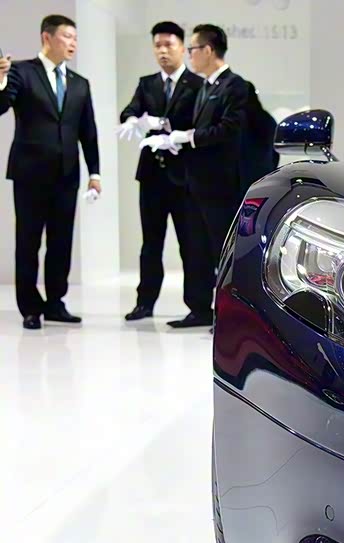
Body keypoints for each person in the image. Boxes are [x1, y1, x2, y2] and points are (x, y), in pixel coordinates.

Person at [141, 24, 247, 328]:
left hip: (220, 185)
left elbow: (229, 130)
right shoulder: (205, 87)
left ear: (208, 51)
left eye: (193, 49)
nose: (190, 55)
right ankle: (199, 309)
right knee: (197, 249)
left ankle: (229, 313)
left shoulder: (235, 86)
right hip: (195, 183)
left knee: (221, 252)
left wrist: (188, 137)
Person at [0, 15, 101, 330]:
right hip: (29, 173)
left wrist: (95, 173)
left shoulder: (80, 83)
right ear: (47, 37)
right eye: (67, 36)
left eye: (75, 38)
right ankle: (30, 308)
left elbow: (88, 132)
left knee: (61, 242)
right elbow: (2, 105)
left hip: (66, 174)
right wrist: (0, 80)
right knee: (28, 242)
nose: (73, 43)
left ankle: (56, 302)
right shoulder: (20, 72)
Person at [117, 21, 207, 322]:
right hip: (152, 176)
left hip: (185, 177)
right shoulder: (147, 84)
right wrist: (132, 120)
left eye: (169, 44)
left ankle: (198, 306)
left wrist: (167, 127)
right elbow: (130, 110)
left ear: (182, 47)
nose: (163, 51)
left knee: (191, 244)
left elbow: (200, 124)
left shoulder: (197, 85)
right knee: (150, 244)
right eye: (157, 45)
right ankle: (145, 303)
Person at [239, 80, 280, 198]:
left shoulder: (233, 122)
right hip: (264, 179)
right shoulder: (268, 119)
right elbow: (275, 153)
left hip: (238, 183)